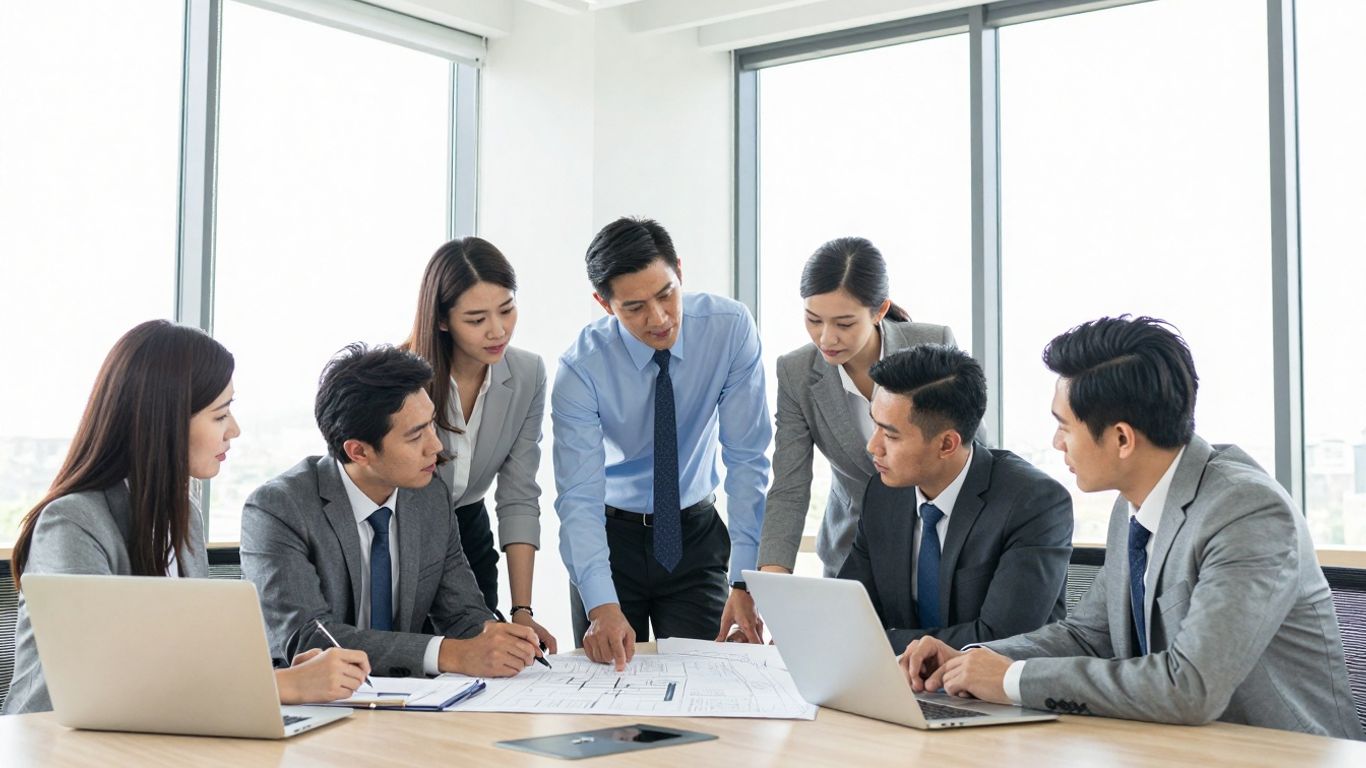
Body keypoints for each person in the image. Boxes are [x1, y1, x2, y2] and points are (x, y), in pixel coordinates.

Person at [898, 316, 1364, 739]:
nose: (1055, 442)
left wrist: (1010, 680)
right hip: (1170, 745)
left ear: (1121, 438)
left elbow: (1190, 687)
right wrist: (970, 660)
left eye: (1064, 426)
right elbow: (1086, 634)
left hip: (1281, 752)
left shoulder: (1247, 511)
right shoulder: (1135, 504)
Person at [4, 320, 369, 715]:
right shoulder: (73, 522)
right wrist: (276, 686)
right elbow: (107, 680)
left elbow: (184, 666)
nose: (235, 430)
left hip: (155, 736)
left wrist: (275, 674)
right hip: (57, 745)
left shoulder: (184, 518)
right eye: (219, 415)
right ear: (164, 421)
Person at [240, 344, 542, 679]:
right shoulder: (279, 508)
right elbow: (308, 639)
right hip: (311, 706)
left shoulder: (429, 495)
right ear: (359, 452)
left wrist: (500, 639)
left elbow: (462, 613)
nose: (436, 445)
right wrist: (447, 653)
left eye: (431, 424)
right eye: (416, 437)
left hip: (408, 704)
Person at [553, 216, 771, 669]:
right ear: (604, 303)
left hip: (694, 538)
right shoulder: (581, 367)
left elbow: (748, 460)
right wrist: (601, 605)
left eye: (666, 293)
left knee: (712, 685)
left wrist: (746, 582)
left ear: (679, 270)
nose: (659, 318)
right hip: (612, 543)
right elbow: (578, 497)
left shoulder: (729, 330)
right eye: (634, 307)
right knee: (608, 693)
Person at [836, 344, 1073, 650]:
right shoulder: (883, 494)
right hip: (898, 686)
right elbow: (847, 613)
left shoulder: (1034, 502)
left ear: (947, 444)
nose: (873, 446)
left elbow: (1000, 639)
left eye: (891, 435)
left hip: (996, 693)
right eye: (874, 425)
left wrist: (875, 641)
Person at [758, 237, 965, 576]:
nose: (826, 338)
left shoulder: (933, 344)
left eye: (844, 324)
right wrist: (773, 576)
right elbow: (789, 486)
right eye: (813, 320)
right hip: (851, 551)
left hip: (938, 543)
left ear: (880, 310)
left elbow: (974, 450)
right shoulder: (796, 372)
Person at [402, 237, 557, 653]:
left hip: (469, 532)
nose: (498, 330)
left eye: (507, 309)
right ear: (441, 320)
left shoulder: (528, 374)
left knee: (486, 665)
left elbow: (519, 493)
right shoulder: (399, 377)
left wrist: (522, 609)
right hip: (401, 533)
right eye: (476, 319)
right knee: (407, 664)